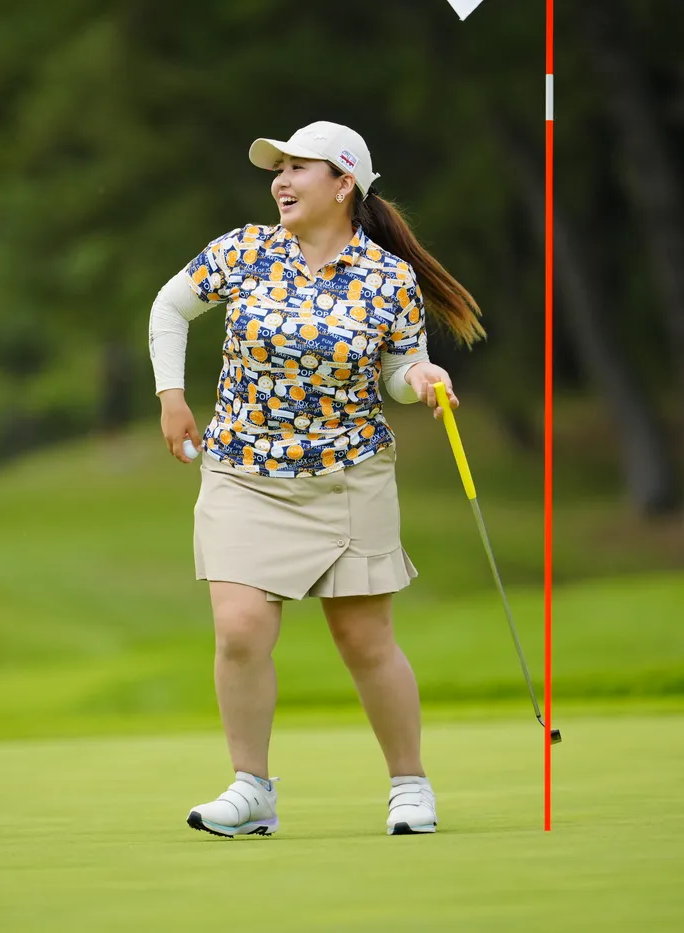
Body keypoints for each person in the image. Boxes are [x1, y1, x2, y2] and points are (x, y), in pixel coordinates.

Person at [146, 121, 486, 837]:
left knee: (364, 640)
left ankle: (410, 785)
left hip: (349, 475)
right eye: (279, 168)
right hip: (244, 470)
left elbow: (397, 370)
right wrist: (171, 396)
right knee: (240, 629)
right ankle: (251, 790)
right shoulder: (244, 250)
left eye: (299, 167)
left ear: (343, 184)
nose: (281, 180)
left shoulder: (388, 277)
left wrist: (422, 378)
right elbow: (169, 307)